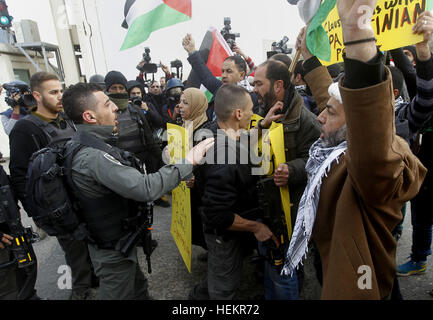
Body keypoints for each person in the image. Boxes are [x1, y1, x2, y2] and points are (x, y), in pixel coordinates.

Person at [282, 0, 427, 300]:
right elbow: (329, 99)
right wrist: (309, 58)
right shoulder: (338, 144)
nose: (320, 115)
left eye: (330, 112)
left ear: (360, 123)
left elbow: (366, 120)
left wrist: (357, 32)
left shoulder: (369, 163)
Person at [61, 83, 213, 299]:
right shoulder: (93, 157)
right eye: (107, 103)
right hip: (111, 250)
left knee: (139, 290)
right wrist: (188, 161)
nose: (115, 107)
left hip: (118, 244)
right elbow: (147, 188)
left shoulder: (86, 144)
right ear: (90, 116)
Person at [189, 84, 283, 300]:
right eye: (251, 109)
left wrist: (264, 124)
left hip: (229, 228)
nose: (254, 113)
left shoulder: (214, 131)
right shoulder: (223, 159)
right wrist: (255, 227)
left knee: (221, 271)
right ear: (238, 113)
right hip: (223, 233)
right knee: (224, 287)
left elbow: (239, 139)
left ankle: (201, 293)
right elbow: (218, 215)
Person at [9, 72, 96, 300]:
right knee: (77, 258)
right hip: (58, 206)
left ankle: (93, 285)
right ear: (37, 95)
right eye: (54, 92)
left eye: (61, 91)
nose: (60, 96)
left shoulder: (66, 121)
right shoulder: (25, 129)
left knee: (90, 250)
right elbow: (19, 175)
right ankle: (81, 293)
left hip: (82, 199)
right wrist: (36, 212)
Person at [252, 56, 321, 299]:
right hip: (268, 208)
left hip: (291, 211)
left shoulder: (306, 120)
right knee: (277, 268)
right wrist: (261, 127)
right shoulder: (263, 112)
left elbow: (318, 160)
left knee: (284, 272)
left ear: (278, 85)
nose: (254, 89)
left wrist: (292, 169)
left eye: (259, 84)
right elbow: (250, 152)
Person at [105, 71, 170, 208]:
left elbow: (148, 136)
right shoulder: (103, 113)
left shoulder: (135, 110)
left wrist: (162, 157)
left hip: (142, 157)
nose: (118, 91)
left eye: (121, 88)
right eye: (114, 88)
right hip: (120, 163)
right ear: (107, 90)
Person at [182, 34, 260, 116]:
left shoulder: (253, 98)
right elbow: (204, 74)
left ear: (241, 75)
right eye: (223, 71)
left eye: (229, 71)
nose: (224, 75)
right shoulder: (219, 89)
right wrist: (192, 51)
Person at [179, 88, 211, 250]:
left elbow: (208, 165)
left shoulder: (205, 131)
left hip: (202, 189)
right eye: (180, 102)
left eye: (186, 103)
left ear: (197, 105)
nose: (180, 106)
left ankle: (213, 251)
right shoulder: (186, 126)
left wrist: (196, 178)